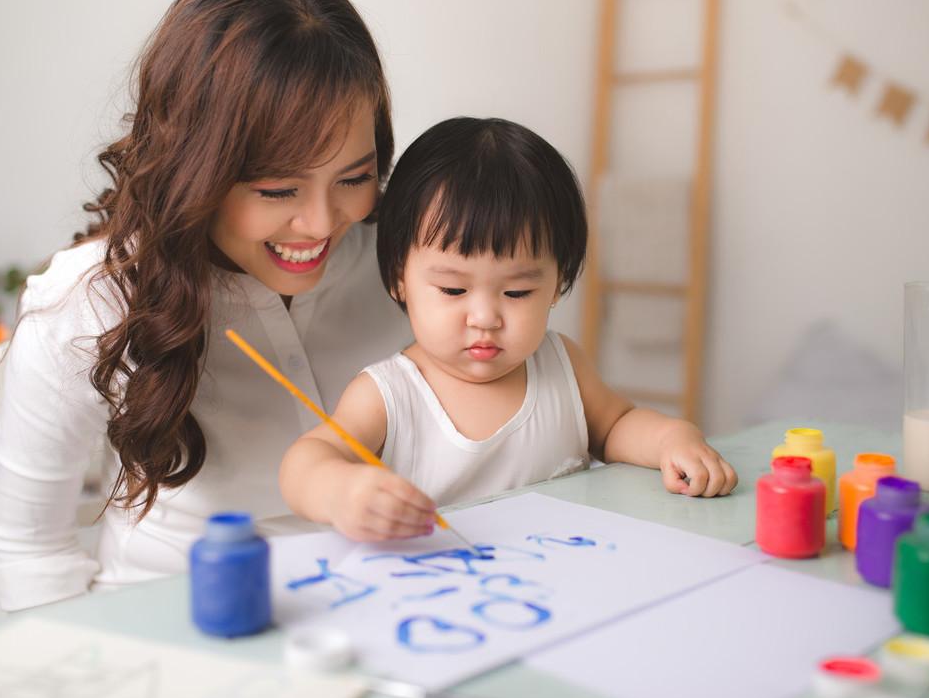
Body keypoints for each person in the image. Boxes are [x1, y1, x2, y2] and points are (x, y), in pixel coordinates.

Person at [0, 0, 412, 611]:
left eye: (354, 178)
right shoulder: (87, 303)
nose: (324, 223)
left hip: (390, 609)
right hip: (174, 622)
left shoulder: (405, 260)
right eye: (277, 190)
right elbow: (29, 555)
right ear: (196, 167)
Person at [279, 117, 738, 542]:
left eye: (516, 293)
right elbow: (306, 463)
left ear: (557, 284)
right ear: (401, 277)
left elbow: (616, 425)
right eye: (454, 290)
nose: (484, 317)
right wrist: (342, 491)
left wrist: (671, 438)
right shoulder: (389, 395)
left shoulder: (561, 365)